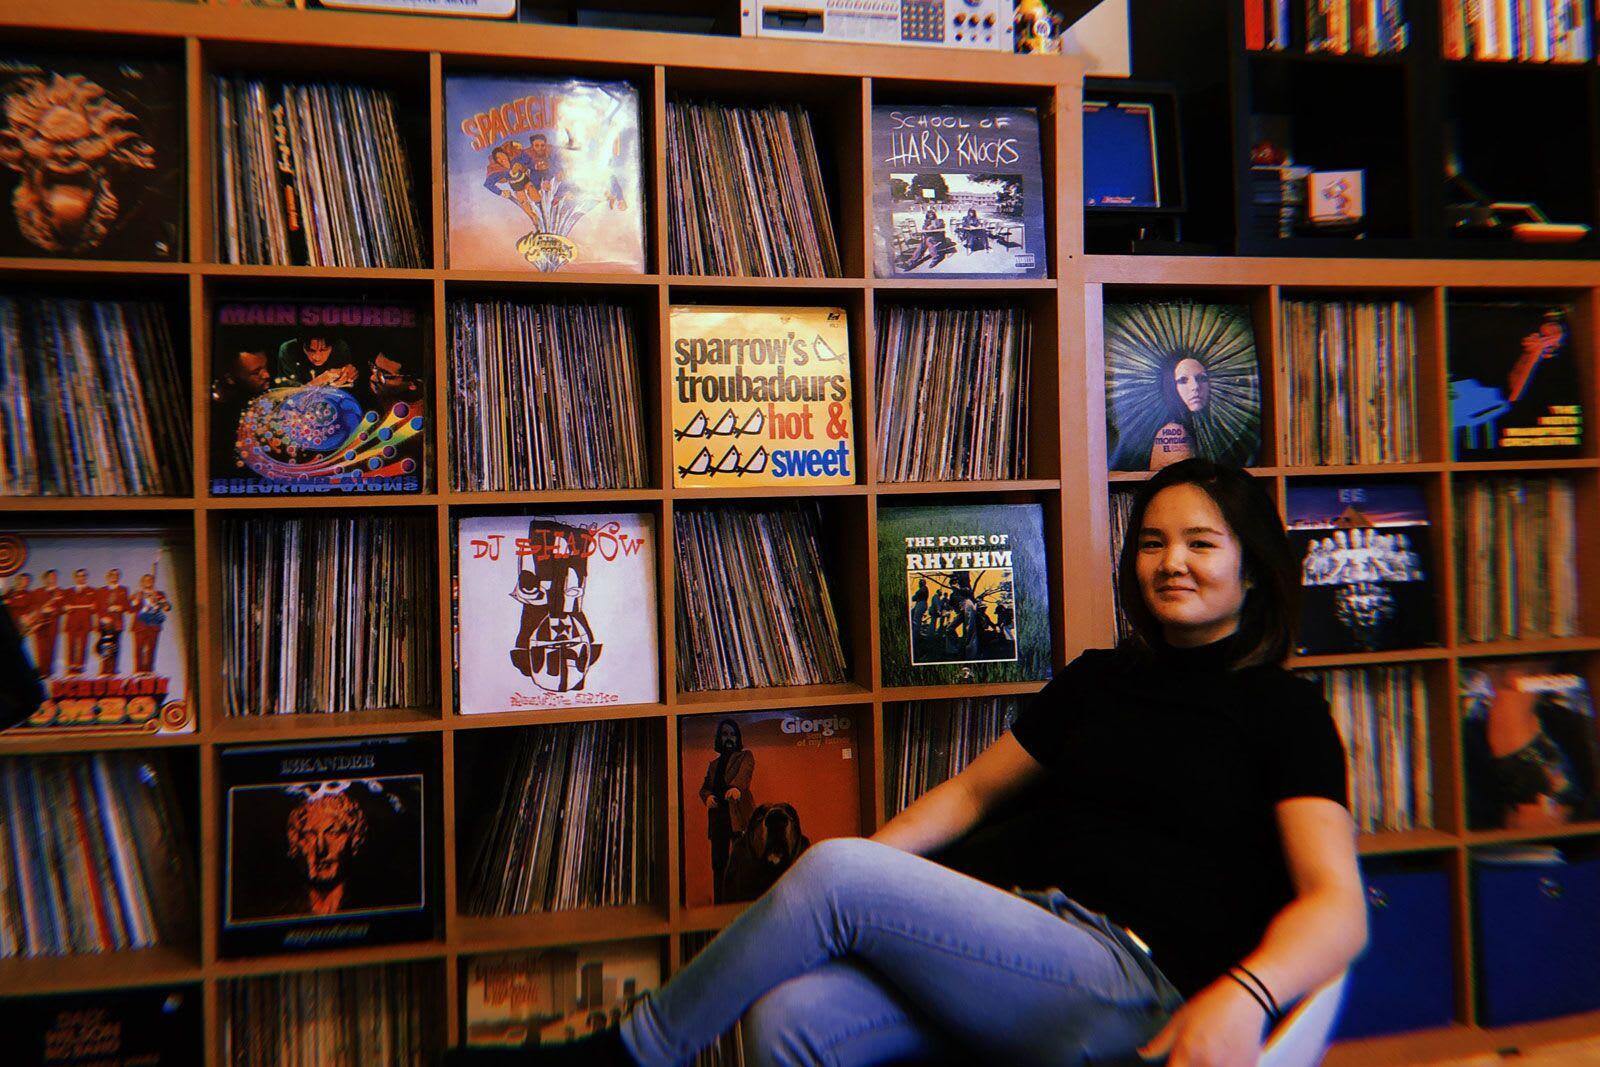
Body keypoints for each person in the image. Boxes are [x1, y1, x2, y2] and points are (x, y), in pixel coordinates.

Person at [447, 458, 1365, 1067]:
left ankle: (633, 1052)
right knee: (790, 1021)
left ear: (1253, 567)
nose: (1172, 562)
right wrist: (855, 896)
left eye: (1202, 543)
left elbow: (1338, 904)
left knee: (843, 869)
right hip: (1018, 940)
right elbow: (970, 794)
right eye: (1153, 541)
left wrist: (1246, 997)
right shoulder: (1101, 682)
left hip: (1133, 984)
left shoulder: (1280, 708)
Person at [701, 717, 755, 904]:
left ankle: (740, 902)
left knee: (740, 861)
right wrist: (707, 797)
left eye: (732, 734)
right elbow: (705, 787)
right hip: (718, 819)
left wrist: (736, 789)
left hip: (738, 817)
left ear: (737, 737)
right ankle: (719, 902)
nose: (729, 738)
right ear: (719, 738)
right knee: (718, 863)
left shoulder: (745, 756)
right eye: (725, 734)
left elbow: (744, 775)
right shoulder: (713, 765)